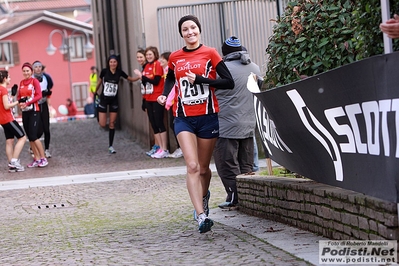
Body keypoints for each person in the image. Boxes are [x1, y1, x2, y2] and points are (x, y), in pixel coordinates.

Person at [157, 15, 234, 233]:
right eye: (185, 29)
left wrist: (202, 81)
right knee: (191, 166)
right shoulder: (175, 56)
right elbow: (170, 78)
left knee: (203, 169)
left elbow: (229, 82)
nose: (189, 32)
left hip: (208, 116)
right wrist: (164, 95)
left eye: (193, 28)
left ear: (199, 30)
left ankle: (204, 195)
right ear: (181, 33)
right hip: (183, 117)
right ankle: (201, 216)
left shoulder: (210, 53)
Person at [213, 36, 260, 209]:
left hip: (226, 125)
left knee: (227, 163)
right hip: (248, 124)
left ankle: (234, 198)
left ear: (224, 53)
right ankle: (248, 199)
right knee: (246, 164)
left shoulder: (220, 70)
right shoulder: (255, 68)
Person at [94, 54, 137, 154]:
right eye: (111, 62)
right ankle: (97, 112)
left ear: (117, 63)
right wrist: (95, 92)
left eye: (114, 62)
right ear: (108, 63)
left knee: (112, 123)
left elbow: (129, 78)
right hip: (104, 99)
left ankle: (111, 146)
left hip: (114, 99)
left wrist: (139, 77)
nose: (113, 63)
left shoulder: (119, 72)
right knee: (103, 124)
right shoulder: (104, 71)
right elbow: (100, 82)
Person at [134, 46, 169, 159]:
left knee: (159, 122)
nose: (148, 57)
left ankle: (164, 148)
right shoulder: (147, 66)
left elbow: (156, 81)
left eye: (150, 55)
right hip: (148, 98)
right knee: (153, 124)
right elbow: (145, 84)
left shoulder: (157, 65)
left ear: (155, 55)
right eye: (147, 55)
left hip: (157, 97)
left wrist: (142, 76)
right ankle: (159, 148)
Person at [18, 62, 48, 168]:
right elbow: (19, 96)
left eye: (27, 70)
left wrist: (28, 102)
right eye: (24, 71)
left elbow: (39, 95)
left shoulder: (34, 81)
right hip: (25, 111)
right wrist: (20, 102)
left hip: (34, 111)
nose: (26, 72)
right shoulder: (21, 82)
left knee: (34, 136)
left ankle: (43, 157)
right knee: (30, 137)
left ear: (31, 71)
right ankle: (36, 158)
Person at [0, 71, 26, 172]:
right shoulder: (3, 90)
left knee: (9, 141)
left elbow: (3, 103)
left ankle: (11, 164)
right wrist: (18, 101)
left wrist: (12, 95)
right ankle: (14, 161)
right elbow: (6, 106)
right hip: (8, 118)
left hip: (2, 119)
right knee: (22, 137)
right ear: (5, 78)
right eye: (9, 77)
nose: (10, 79)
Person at [160, 51, 183, 159]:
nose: (160, 61)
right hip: (169, 100)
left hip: (174, 101)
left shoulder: (173, 70)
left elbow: (174, 87)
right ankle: (181, 147)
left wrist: (168, 99)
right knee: (172, 124)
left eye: (162, 59)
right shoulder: (165, 71)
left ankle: (182, 147)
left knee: (175, 124)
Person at [32, 60, 53, 158]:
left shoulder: (46, 77)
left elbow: (50, 87)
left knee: (46, 129)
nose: (38, 68)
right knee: (38, 129)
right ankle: (33, 147)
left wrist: (47, 92)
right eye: (35, 67)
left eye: (39, 66)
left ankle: (47, 149)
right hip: (35, 105)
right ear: (33, 69)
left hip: (44, 104)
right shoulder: (31, 79)